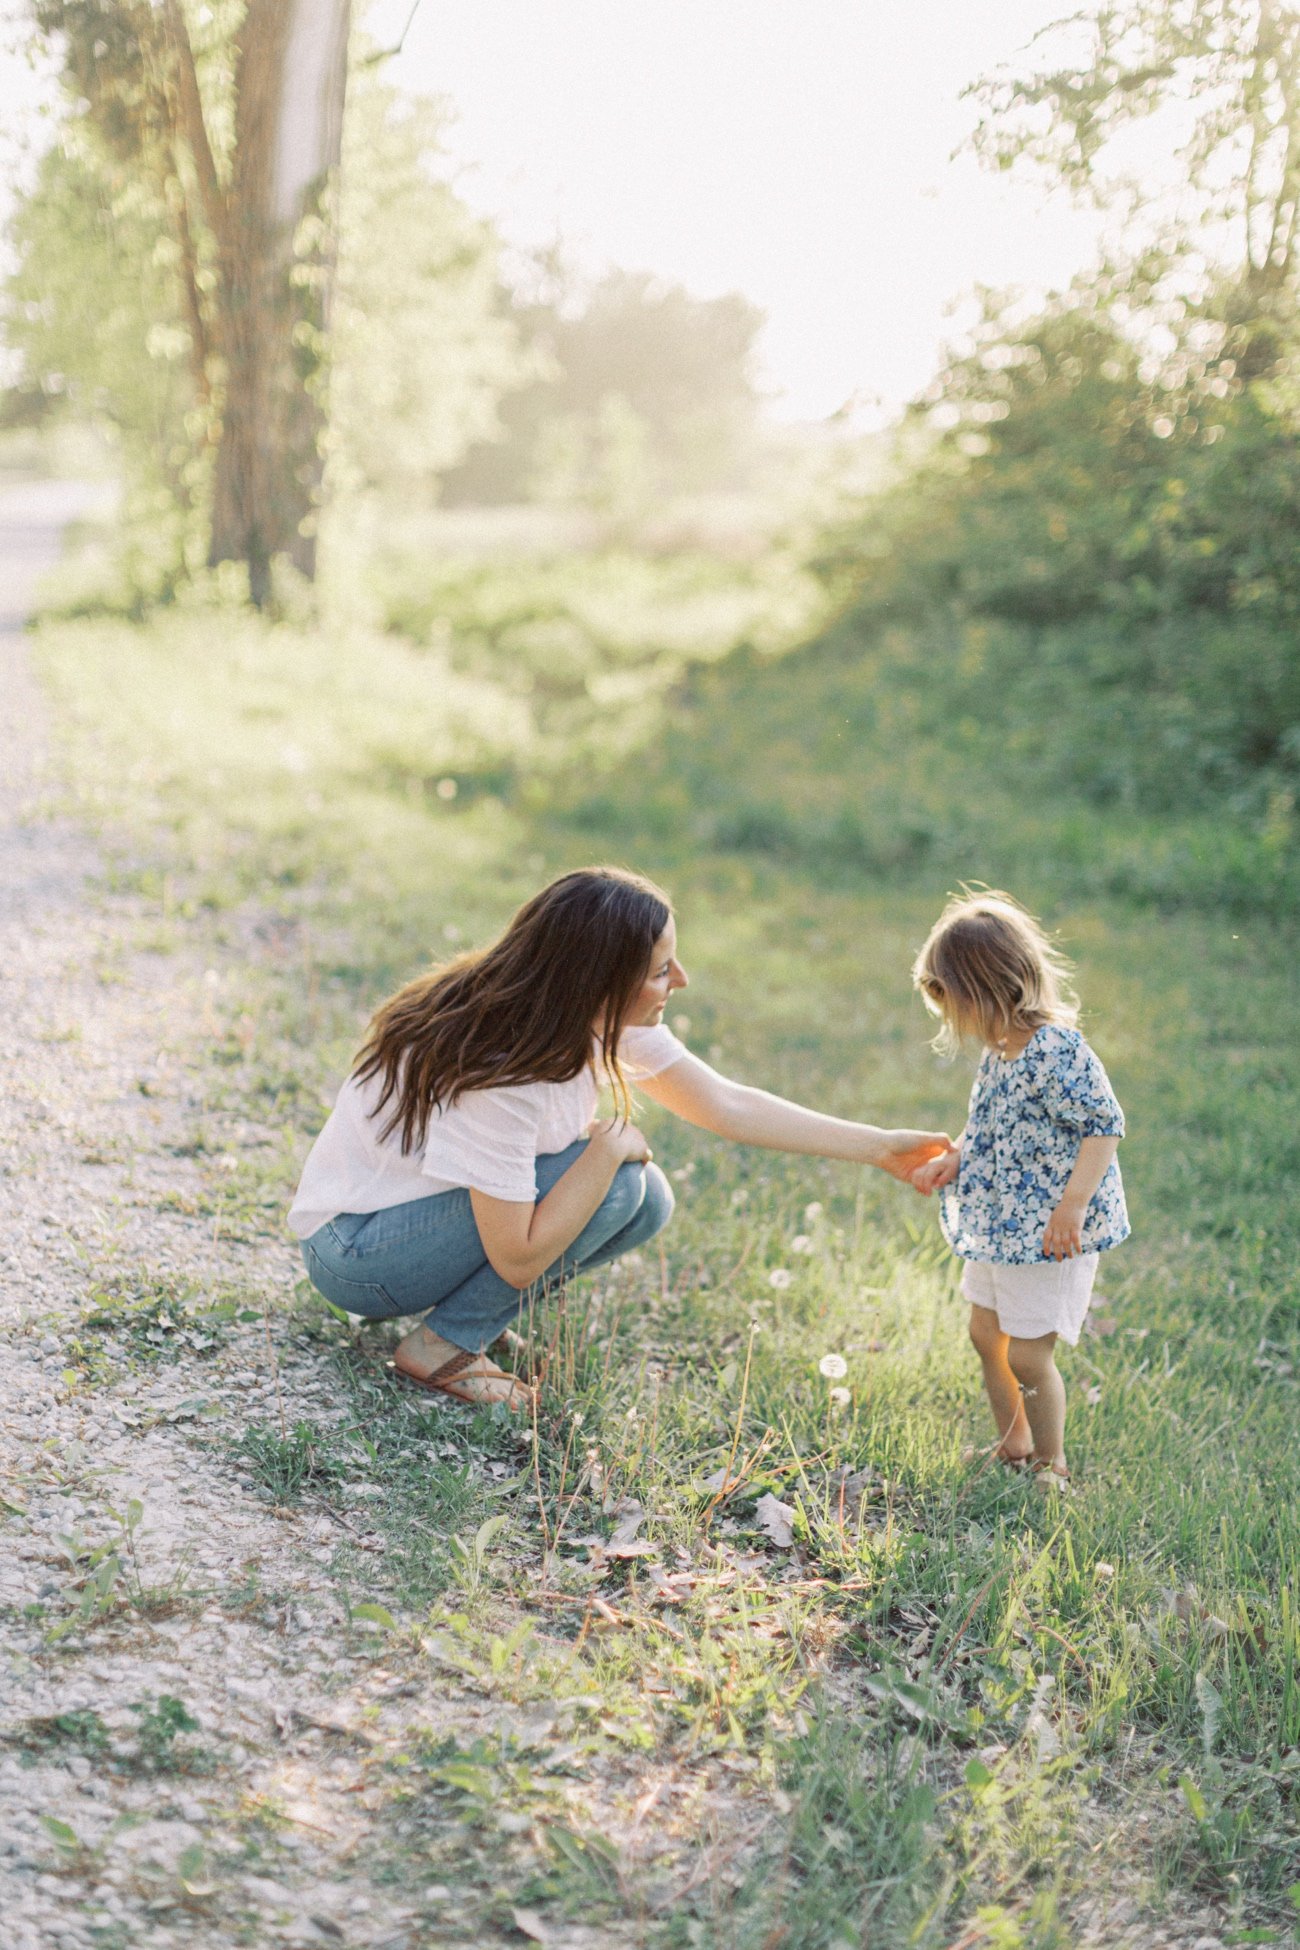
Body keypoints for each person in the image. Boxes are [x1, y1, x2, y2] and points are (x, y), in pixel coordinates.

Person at [290, 865, 952, 1410]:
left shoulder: (590, 1018)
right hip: (357, 1254)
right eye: (663, 969)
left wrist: (877, 1147)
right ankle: (440, 1351)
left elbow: (727, 1104)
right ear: (600, 981)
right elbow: (518, 1258)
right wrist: (604, 1151)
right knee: (619, 1183)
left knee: (647, 1198)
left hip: (410, 1229)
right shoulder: (503, 1074)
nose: (682, 980)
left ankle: (464, 1328)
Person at [910, 890, 1129, 1486]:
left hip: (1051, 1230)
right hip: (1002, 1223)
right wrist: (955, 1157)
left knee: (1029, 1353)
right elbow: (988, 1125)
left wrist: (1072, 1207)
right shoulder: (1000, 1051)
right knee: (986, 1333)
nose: (948, 1018)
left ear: (985, 989)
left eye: (948, 1000)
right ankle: (1013, 1442)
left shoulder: (1055, 1051)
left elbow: (1104, 1125)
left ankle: (1049, 1464)